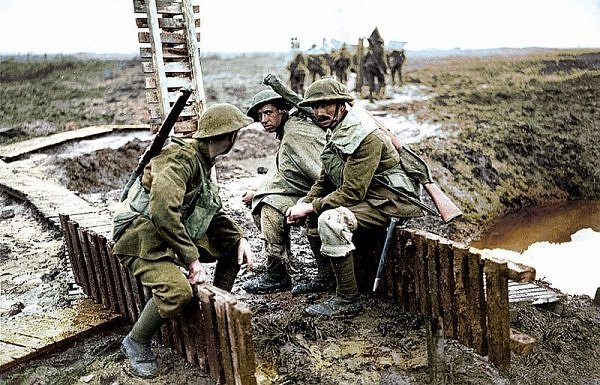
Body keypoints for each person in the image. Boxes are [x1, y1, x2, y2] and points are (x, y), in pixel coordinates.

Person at [111, 103, 255, 378]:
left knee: (231, 249)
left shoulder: (203, 163)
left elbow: (212, 212)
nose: (235, 139)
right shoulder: (181, 158)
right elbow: (163, 211)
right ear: (227, 136)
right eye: (235, 133)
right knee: (177, 292)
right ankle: (136, 341)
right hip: (141, 239)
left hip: (165, 234)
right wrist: (192, 260)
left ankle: (212, 309)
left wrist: (240, 238)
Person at [285, 78, 425, 318]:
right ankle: (327, 278)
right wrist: (305, 203)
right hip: (367, 196)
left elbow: (352, 192)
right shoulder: (339, 129)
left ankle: (348, 298)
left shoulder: (366, 136)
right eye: (315, 107)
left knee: (330, 220)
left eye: (326, 105)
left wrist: (312, 208)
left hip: (387, 202)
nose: (319, 112)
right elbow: (325, 178)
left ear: (342, 105)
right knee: (311, 211)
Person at [241, 89, 331, 295]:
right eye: (259, 116)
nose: (263, 120)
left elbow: (320, 174)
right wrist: (258, 191)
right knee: (266, 204)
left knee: (271, 209)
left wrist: (307, 204)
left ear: (282, 110)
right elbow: (287, 175)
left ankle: (320, 275)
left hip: (323, 193)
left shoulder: (295, 134)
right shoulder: (288, 130)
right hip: (308, 191)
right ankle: (279, 268)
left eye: (268, 113)